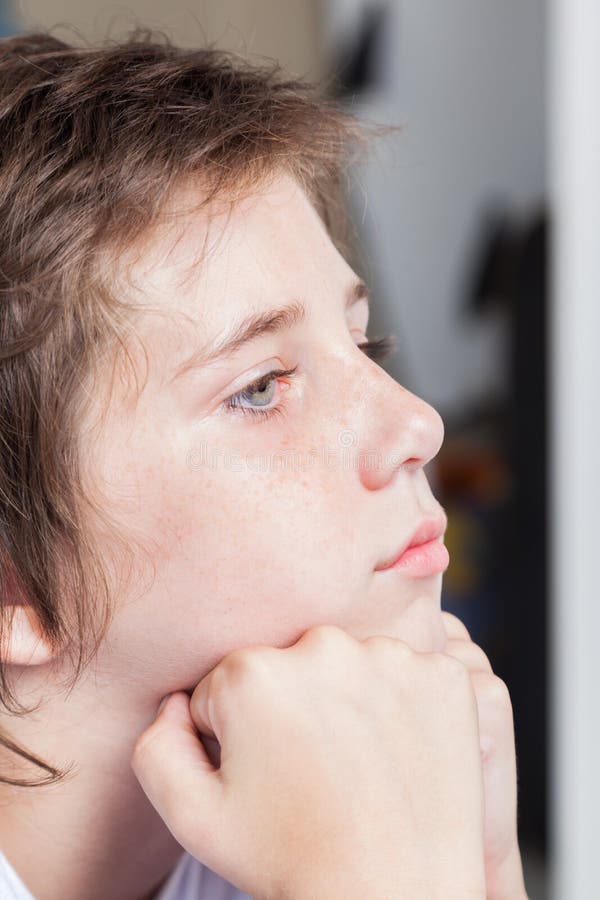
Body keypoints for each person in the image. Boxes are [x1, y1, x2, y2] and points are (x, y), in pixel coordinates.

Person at [0, 29, 528, 900]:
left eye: (367, 345)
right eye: (261, 387)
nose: (418, 423)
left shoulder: (366, 782)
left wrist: (479, 857)